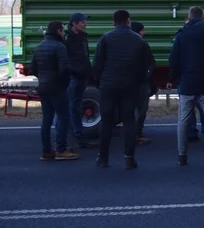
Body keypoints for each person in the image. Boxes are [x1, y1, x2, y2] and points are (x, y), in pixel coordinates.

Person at [169, 6, 204, 166]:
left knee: (183, 120)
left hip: (187, 83)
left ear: (189, 17)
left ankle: (182, 155)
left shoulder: (181, 35)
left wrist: (180, 77)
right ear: (202, 17)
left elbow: (173, 60)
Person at [93, 10, 148, 169]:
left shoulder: (106, 38)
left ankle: (103, 158)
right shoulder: (138, 40)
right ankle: (129, 158)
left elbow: (97, 63)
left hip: (108, 85)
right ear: (128, 21)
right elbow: (144, 65)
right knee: (129, 120)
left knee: (107, 121)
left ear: (114, 22)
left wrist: (100, 81)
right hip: (129, 85)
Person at [30, 20, 78, 161]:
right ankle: (61, 150)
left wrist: (43, 78)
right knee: (64, 117)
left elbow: (33, 69)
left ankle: (46, 151)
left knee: (46, 120)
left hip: (43, 87)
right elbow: (65, 69)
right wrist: (63, 83)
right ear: (58, 31)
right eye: (63, 30)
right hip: (57, 88)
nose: (64, 33)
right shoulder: (59, 46)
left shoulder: (39, 47)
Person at [56, 12, 94, 148]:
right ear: (74, 24)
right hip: (72, 77)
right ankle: (63, 137)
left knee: (76, 106)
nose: (85, 24)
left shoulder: (83, 37)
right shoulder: (67, 39)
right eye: (83, 22)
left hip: (82, 76)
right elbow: (65, 59)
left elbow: (85, 56)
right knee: (67, 106)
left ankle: (77, 135)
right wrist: (73, 72)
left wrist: (89, 72)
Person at [131, 21, 156, 145]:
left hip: (130, 81)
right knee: (141, 109)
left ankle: (134, 133)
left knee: (133, 109)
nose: (144, 32)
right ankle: (136, 134)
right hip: (140, 82)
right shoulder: (142, 44)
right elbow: (151, 61)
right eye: (142, 30)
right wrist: (147, 75)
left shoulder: (129, 44)